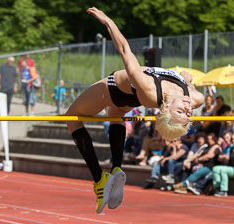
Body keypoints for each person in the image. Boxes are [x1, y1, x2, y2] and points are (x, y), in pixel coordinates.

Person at [65, 7, 204, 213]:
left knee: (72, 117)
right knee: (116, 115)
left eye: (180, 112)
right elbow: (190, 84)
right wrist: (187, 78)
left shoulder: (149, 88)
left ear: (166, 108)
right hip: (133, 95)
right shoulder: (195, 98)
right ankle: (116, 169)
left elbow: (124, 50)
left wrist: (108, 22)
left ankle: (99, 179)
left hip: (114, 88)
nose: (187, 108)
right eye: (188, 114)